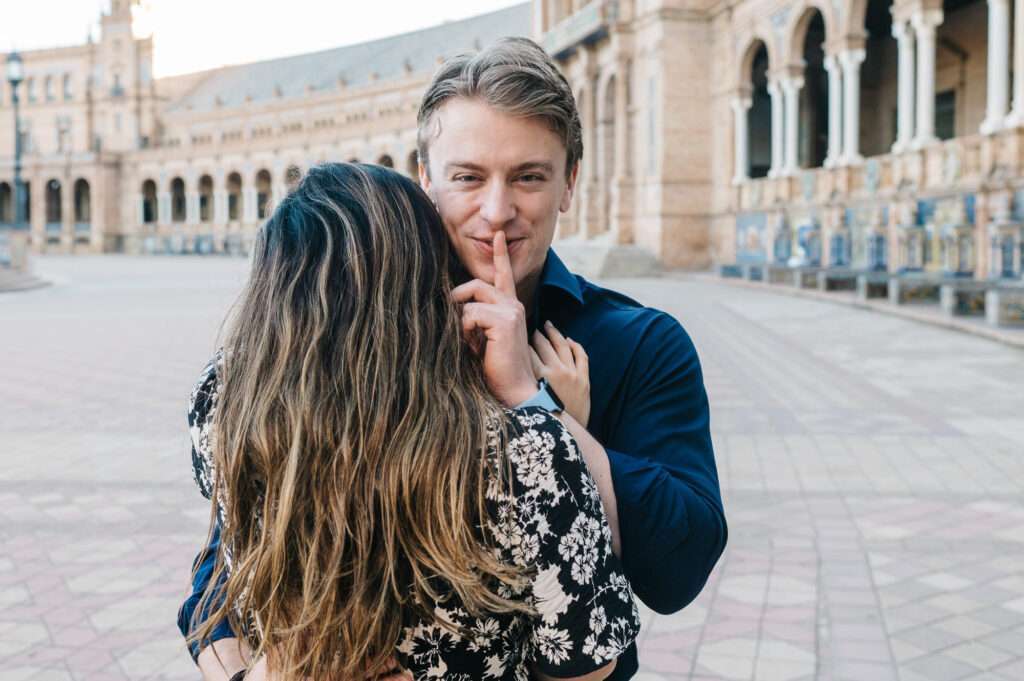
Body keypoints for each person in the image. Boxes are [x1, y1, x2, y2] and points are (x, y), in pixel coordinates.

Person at [180, 37, 727, 681]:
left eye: (528, 176)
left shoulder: (640, 343)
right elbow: (226, 568)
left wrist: (539, 409)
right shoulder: (350, 335)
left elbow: (679, 570)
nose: (497, 212)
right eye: (468, 177)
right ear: (426, 180)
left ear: (569, 183)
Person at [187, 161, 640, 681]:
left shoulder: (219, 400)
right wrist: (549, 420)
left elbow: (227, 551)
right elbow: (587, 666)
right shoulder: (527, 452)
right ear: (429, 281)